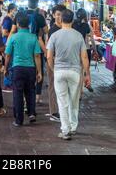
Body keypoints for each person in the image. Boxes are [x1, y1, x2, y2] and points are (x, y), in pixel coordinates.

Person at [47, 9, 91, 140]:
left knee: (62, 101)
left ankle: (65, 130)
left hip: (59, 71)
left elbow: (49, 56)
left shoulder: (55, 35)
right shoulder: (78, 36)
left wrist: (54, 69)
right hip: (75, 72)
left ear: (61, 19)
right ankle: (73, 127)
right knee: (74, 101)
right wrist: (87, 74)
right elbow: (84, 57)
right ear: (72, 20)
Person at [5, 11, 42, 127]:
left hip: (17, 68)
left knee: (17, 93)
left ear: (18, 24)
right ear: (28, 24)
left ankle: (19, 119)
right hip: (30, 69)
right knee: (31, 91)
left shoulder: (13, 37)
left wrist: (5, 67)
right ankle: (31, 113)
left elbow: (8, 55)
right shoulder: (33, 37)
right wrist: (39, 71)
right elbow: (37, 55)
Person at [46, 4, 66, 122]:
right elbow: (50, 49)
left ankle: (62, 110)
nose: (59, 17)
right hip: (53, 61)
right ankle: (53, 111)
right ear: (53, 15)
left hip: (65, 62)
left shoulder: (66, 28)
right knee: (53, 85)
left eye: (61, 15)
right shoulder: (52, 30)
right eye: (57, 15)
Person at [26, 0, 48, 104]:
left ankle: (27, 96)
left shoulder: (21, 15)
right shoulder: (39, 17)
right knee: (39, 71)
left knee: (27, 71)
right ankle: (37, 96)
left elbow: (13, 31)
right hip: (37, 46)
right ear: (37, 4)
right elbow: (46, 30)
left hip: (25, 47)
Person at [1, 3, 17, 91]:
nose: (16, 11)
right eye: (15, 10)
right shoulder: (7, 20)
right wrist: (14, 33)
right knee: (8, 63)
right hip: (7, 44)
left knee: (9, 63)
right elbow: (4, 32)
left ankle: (9, 82)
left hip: (8, 43)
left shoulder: (10, 19)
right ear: (11, 10)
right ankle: (7, 84)